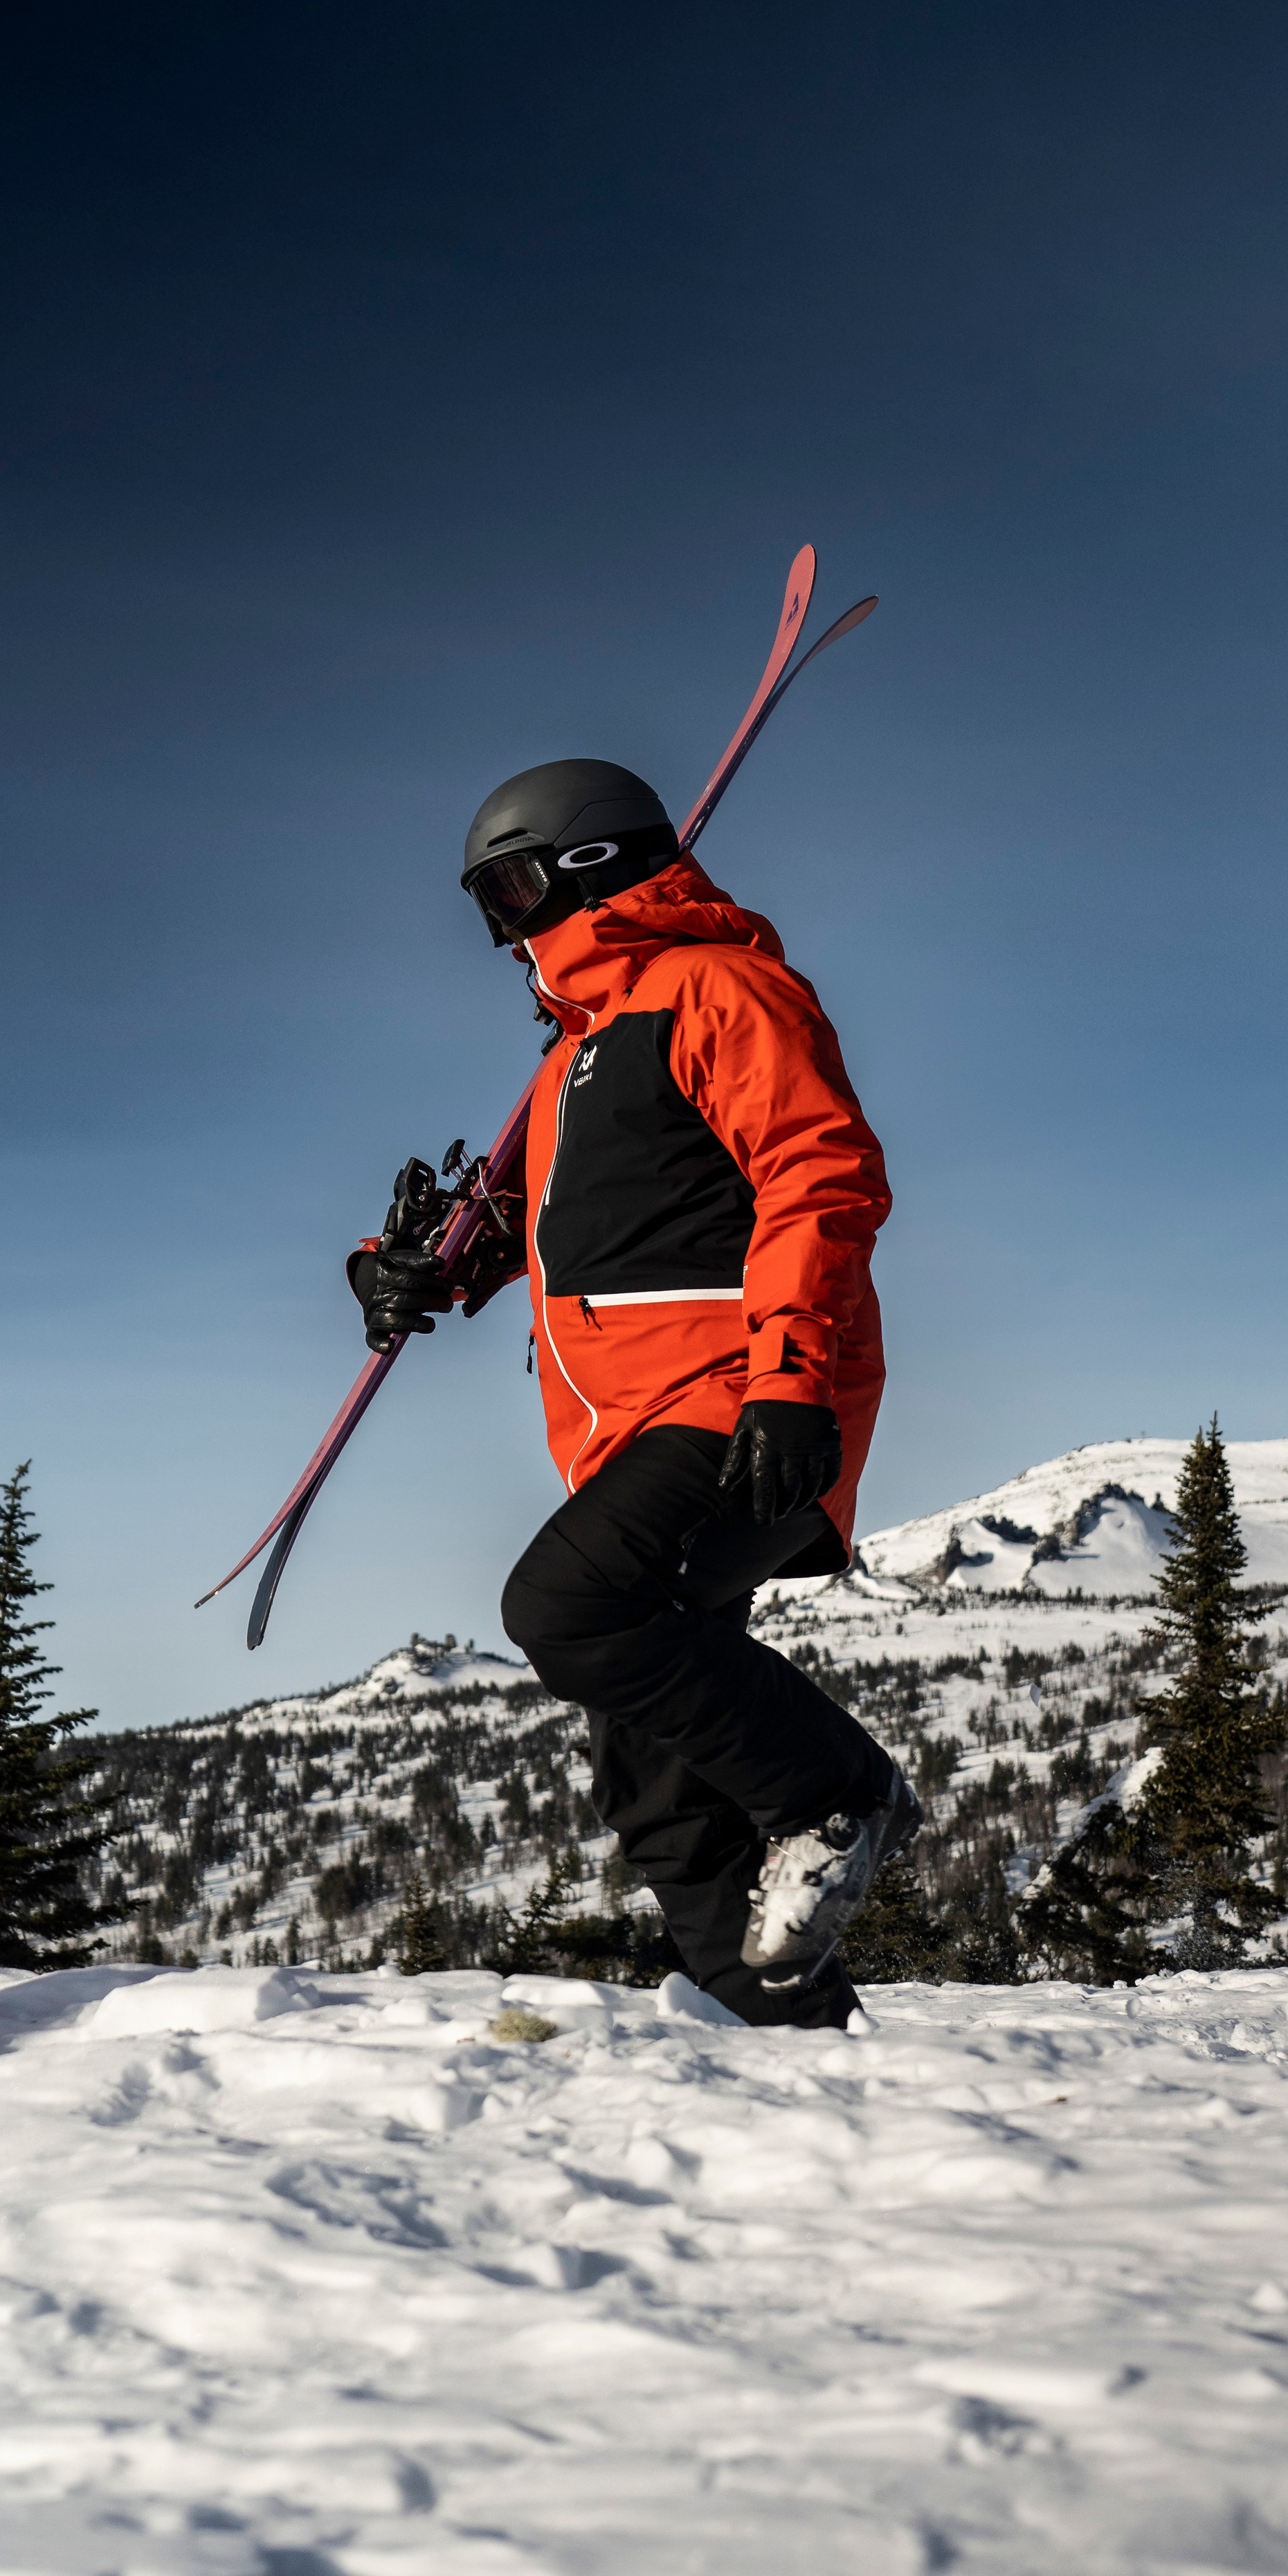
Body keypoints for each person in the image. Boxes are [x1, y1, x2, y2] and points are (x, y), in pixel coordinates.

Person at [350, 759, 918, 2028]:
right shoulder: (573, 1064)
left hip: (739, 1396)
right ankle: (776, 2024)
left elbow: (818, 1178)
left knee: (570, 1603)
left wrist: (788, 1380)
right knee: (649, 1765)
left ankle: (837, 1793)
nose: (500, 923)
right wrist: (412, 1273)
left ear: (594, 861)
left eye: (512, 884)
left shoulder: (719, 989)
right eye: (480, 899)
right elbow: (550, 1237)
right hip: (625, 1428)